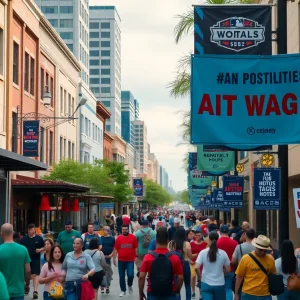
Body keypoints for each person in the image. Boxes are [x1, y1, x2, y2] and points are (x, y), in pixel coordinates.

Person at [139, 226, 184, 300]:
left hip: (152, 292)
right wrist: (177, 290)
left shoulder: (148, 257)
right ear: (168, 241)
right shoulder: (174, 258)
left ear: (156, 241)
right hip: (170, 292)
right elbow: (180, 277)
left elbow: (141, 277)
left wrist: (141, 292)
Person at [234, 235, 277, 300]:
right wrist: (236, 294)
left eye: (264, 250)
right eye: (260, 249)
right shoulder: (246, 258)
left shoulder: (270, 259)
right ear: (256, 247)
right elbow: (239, 277)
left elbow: (273, 275)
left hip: (265, 295)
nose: (262, 252)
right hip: (248, 294)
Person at [195, 231, 230, 300]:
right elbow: (228, 269)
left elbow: (196, 267)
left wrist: (200, 276)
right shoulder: (223, 253)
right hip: (219, 283)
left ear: (209, 239)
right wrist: (221, 272)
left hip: (206, 283)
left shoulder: (203, 252)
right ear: (218, 239)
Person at [0, 223, 31, 300]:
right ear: (13, 233)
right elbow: (28, 270)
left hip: (2, 292)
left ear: (1, 234)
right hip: (18, 290)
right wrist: (27, 284)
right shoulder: (23, 249)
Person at [20, 223, 45, 299]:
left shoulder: (39, 238)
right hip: (26, 260)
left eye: (33, 229)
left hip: (36, 259)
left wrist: (40, 250)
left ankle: (35, 291)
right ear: (28, 230)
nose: (32, 231)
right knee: (26, 274)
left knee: (35, 274)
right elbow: (20, 249)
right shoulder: (24, 239)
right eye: (30, 229)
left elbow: (44, 247)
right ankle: (27, 285)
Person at [168, 227, 193, 300]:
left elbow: (168, 254)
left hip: (174, 265)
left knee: (176, 285)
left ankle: (178, 298)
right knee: (188, 285)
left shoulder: (170, 243)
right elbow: (190, 256)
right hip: (185, 264)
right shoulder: (187, 244)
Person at [113, 224, 138, 297]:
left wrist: (136, 256)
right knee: (121, 276)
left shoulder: (133, 238)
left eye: (126, 229)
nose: (125, 231)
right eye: (123, 229)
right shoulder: (118, 238)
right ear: (121, 230)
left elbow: (136, 247)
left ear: (128, 230)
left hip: (130, 260)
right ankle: (123, 290)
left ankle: (129, 285)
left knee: (130, 275)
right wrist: (114, 258)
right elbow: (115, 249)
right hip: (121, 260)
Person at [217, 225, 238, 300]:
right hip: (230, 268)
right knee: (228, 289)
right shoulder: (234, 243)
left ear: (219, 232)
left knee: (219, 289)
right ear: (228, 232)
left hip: (218, 269)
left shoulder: (217, 243)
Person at [190, 230, 207, 299]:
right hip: (193, 263)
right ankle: (193, 291)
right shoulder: (191, 244)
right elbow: (188, 254)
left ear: (202, 236)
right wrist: (190, 260)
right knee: (193, 277)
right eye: (196, 235)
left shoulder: (205, 244)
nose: (197, 237)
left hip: (202, 264)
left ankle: (201, 293)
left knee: (201, 278)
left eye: (199, 235)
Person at [100, 226, 115, 294]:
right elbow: (99, 247)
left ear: (108, 231)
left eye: (104, 230)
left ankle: (108, 286)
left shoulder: (112, 239)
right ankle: (102, 285)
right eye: (103, 230)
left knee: (108, 272)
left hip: (108, 257)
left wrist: (112, 255)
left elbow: (115, 248)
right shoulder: (101, 238)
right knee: (102, 272)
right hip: (101, 257)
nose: (103, 231)